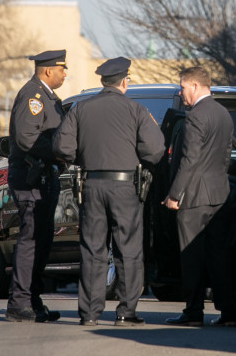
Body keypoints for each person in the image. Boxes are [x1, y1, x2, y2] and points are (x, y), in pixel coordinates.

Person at [53, 57, 165, 327]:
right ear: (125, 81)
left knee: (93, 249)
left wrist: (83, 159)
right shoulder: (137, 110)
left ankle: (90, 313)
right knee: (128, 249)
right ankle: (126, 312)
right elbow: (155, 150)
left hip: (91, 184)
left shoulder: (80, 109)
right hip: (126, 186)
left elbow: (62, 148)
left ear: (103, 81)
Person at [163, 66, 236, 327]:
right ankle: (228, 312)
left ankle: (193, 312)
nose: (181, 93)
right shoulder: (223, 114)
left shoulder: (195, 116)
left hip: (194, 197)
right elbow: (225, 158)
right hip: (219, 194)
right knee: (219, 254)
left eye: (182, 87)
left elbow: (189, 159)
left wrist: (174, 194)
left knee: (191, 254)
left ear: (195, 86)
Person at [5, 49, 68, 322]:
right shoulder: (33, 96)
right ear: (47, 71)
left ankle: (33, 299)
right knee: (30, 241)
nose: (65, 74)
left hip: (45, 178)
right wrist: (56, 151)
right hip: (31, 179)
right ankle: (19, 303)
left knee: (42, 241)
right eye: (62, 69)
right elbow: (27, 137)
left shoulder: (49, 99)